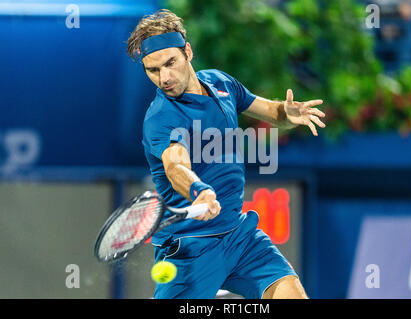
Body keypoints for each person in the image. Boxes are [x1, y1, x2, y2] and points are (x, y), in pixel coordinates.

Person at [127, 9, 325, 299]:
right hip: (190, 247)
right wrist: (199, 192)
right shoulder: (161, 117)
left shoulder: (221, 83)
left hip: (239, 236)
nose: (164, 77)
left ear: (188, 53)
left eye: (170, 63)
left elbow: (269, 110)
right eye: (153, 70)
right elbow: (175, 165)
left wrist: (286, 111)